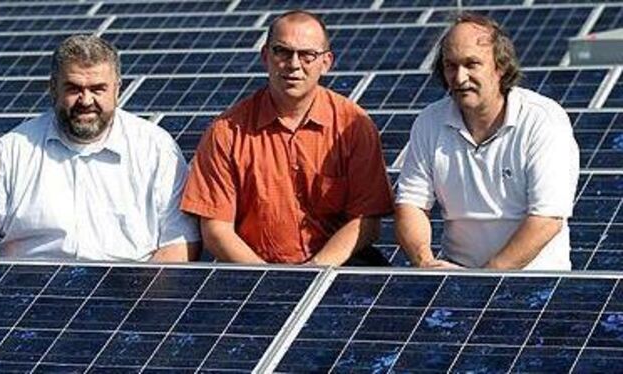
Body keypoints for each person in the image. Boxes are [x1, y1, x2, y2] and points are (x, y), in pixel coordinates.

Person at [0, 34, 200, 262]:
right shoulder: (14, 149)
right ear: (53, 88)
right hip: (28, 297)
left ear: (117, 89)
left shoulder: (154, 148)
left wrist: (146, 306)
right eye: (73, 88)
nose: (86, 101)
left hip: (129, 296)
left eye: (97, 89)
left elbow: (179, 242)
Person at [180, 10, 394, 266]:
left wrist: (314, 271)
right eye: (282, 51)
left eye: (307, 55)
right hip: (252, 268)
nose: (294, 64)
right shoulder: (226, 132)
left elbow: (366, 221)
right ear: (265, 57)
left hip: (338, 266)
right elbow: (216, 231)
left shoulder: (353, 125)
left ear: (326, 62)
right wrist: (271, 279)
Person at [394, 12, 579, 270]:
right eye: (450, 65)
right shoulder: (430, 121)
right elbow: (411, 204)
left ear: (500, 67)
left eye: (472, 64)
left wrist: (484, 279)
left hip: (534, 285)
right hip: (455, 277)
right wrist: (426, 263)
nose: (459, 78)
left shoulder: (543, 120)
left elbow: (546, 219)